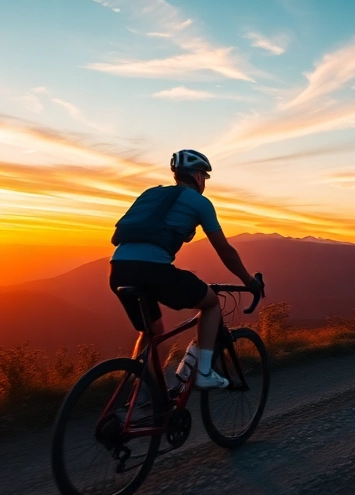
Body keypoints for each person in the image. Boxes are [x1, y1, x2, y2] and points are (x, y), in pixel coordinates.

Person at [109, 149, 262, 389]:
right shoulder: (200, 203)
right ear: (198, 176)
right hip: (153, 271)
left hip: (118, 268)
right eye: (205, 176)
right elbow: (226, 252)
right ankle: (204, 373)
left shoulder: (151, 194)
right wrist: (249, 281)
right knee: (211, 303)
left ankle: (141, 399)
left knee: (153, 334)